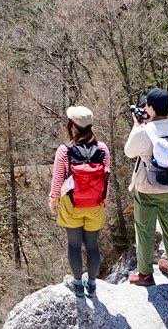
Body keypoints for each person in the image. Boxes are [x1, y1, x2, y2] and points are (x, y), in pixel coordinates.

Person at [123, 87, 168, 286]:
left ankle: (145, 274)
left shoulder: (144, 131)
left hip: (146, 188)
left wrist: (137, 125)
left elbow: (129, 151)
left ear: (150, 108)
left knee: (144, 231)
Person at [47, 105, 110, 298]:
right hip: (95, 204)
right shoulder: (102, 149)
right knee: (92, 246)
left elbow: (58, 179)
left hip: (71, 204)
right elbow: (106, 177)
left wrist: (53, 200)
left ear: (72, 126)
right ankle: (92, 285)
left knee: (74, 245)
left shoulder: (64, 150)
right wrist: (104, 200)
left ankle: (77, 285)